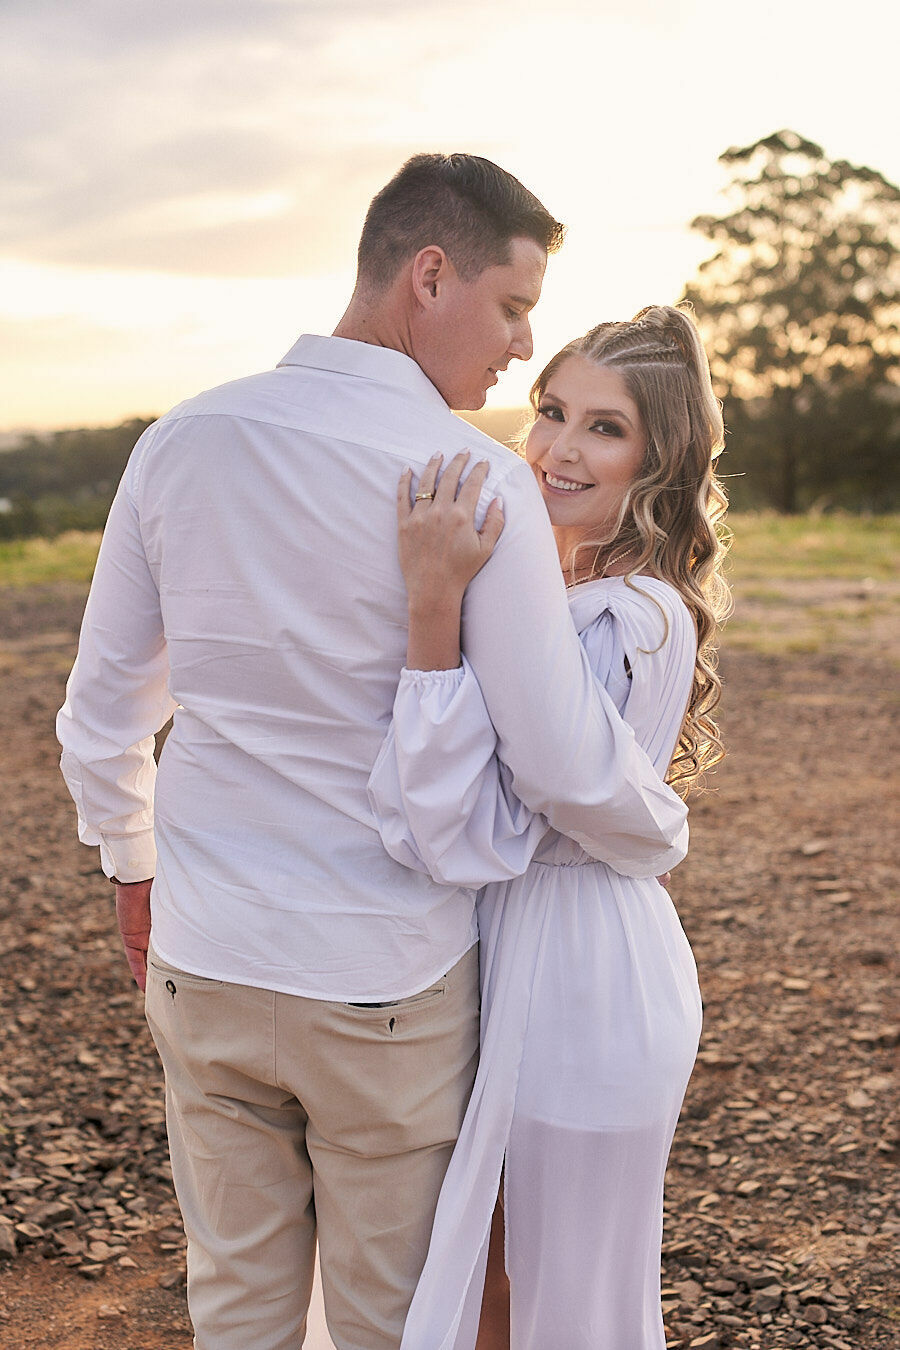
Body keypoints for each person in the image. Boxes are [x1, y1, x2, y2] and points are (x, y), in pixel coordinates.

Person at [56, 155, 689, 1350]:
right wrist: (661, 825)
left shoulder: (180, 441)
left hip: (206, 952)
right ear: (430, 274)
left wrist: (132, 871)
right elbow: (559, 763)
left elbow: (102, 713)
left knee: (235, 1303)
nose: (519, 346)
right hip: (383, 978)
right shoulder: (478, 484)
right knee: (398, 1323)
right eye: (511, 307)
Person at [368, 305, 731, 1349]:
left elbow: (474, 819)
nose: (560, 449)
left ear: (658, 458)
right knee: (494, 1281)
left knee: (541, 1302)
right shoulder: (571, 587)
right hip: (540, 946)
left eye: (605, 428)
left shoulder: (627, 615)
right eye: (552, 410)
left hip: (585, 982)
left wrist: (432, 609)